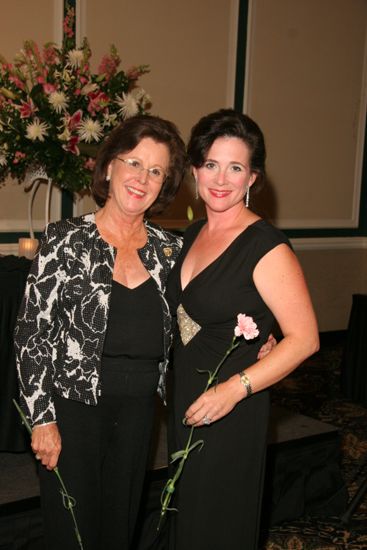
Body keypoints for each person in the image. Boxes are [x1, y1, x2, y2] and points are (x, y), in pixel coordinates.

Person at [14, 114, 187, 550]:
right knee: (71, 531)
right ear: (109, 166)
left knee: (119, 528)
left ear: (164, 184)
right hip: (72, 413)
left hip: (138, 413)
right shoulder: (65, 240)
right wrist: (42, 419)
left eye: (155, 171)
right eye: (133, 163)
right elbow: (32, 335)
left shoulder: (172, 251)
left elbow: (195, 322)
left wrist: (253, 339)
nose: (141, 178)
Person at [166, 108, 319, 550]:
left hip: (231, 410)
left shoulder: (265, 246)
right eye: (211, 164)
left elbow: (306, 339)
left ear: (253, 178)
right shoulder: (193, 234)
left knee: (216, 524)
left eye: (236, 167)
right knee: (189, 521)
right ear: (195, 169)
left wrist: (234, 389)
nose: (221, 178)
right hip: (188, 403)